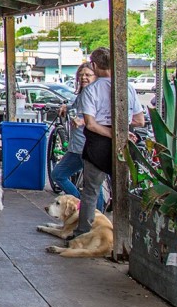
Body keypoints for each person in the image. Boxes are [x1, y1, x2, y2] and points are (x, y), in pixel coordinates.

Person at [73, 48, 145, 239]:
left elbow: (90, 123)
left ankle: (83, 234)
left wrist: (112, 134)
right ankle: (126, 235)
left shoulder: (91, 90)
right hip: (123, 146)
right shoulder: (127, 87)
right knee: (123, 191)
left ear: (94, 66)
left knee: (90, 192)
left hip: (97, 145)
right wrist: (122, 133)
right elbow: (140, 120)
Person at [49, 63, 105, 211]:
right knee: (58, 174)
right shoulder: (83, 93)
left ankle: (95, 214)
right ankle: (80, 204)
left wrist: (83, 121)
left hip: (89, 145)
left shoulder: (96, 93)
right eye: (81, 75)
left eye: (88, 75)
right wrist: (66, 108)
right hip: (77, 146)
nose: (83, 78)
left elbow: (100, 117)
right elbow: (76, 110)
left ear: (96, 76)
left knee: (92, 185)